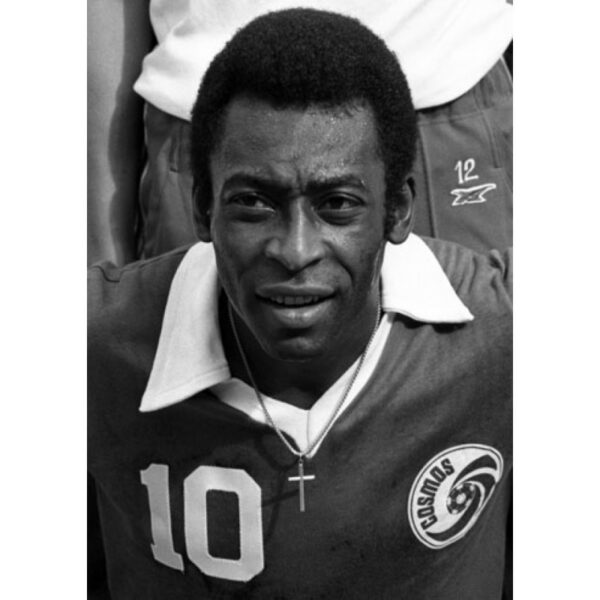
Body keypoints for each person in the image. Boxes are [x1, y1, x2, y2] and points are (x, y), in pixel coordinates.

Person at [88, 9, 512, 599]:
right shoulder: (99, 341)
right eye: (254, 204)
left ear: (399, 212)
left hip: (453, 97)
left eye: (335, 205)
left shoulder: (500, 326)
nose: (295, 251)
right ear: (202, 208)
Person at [87, 0, 513, 265]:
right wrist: (100, 253)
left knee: (463, 364)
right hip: (206, 120)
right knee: (205, 377)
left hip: (442, 96)